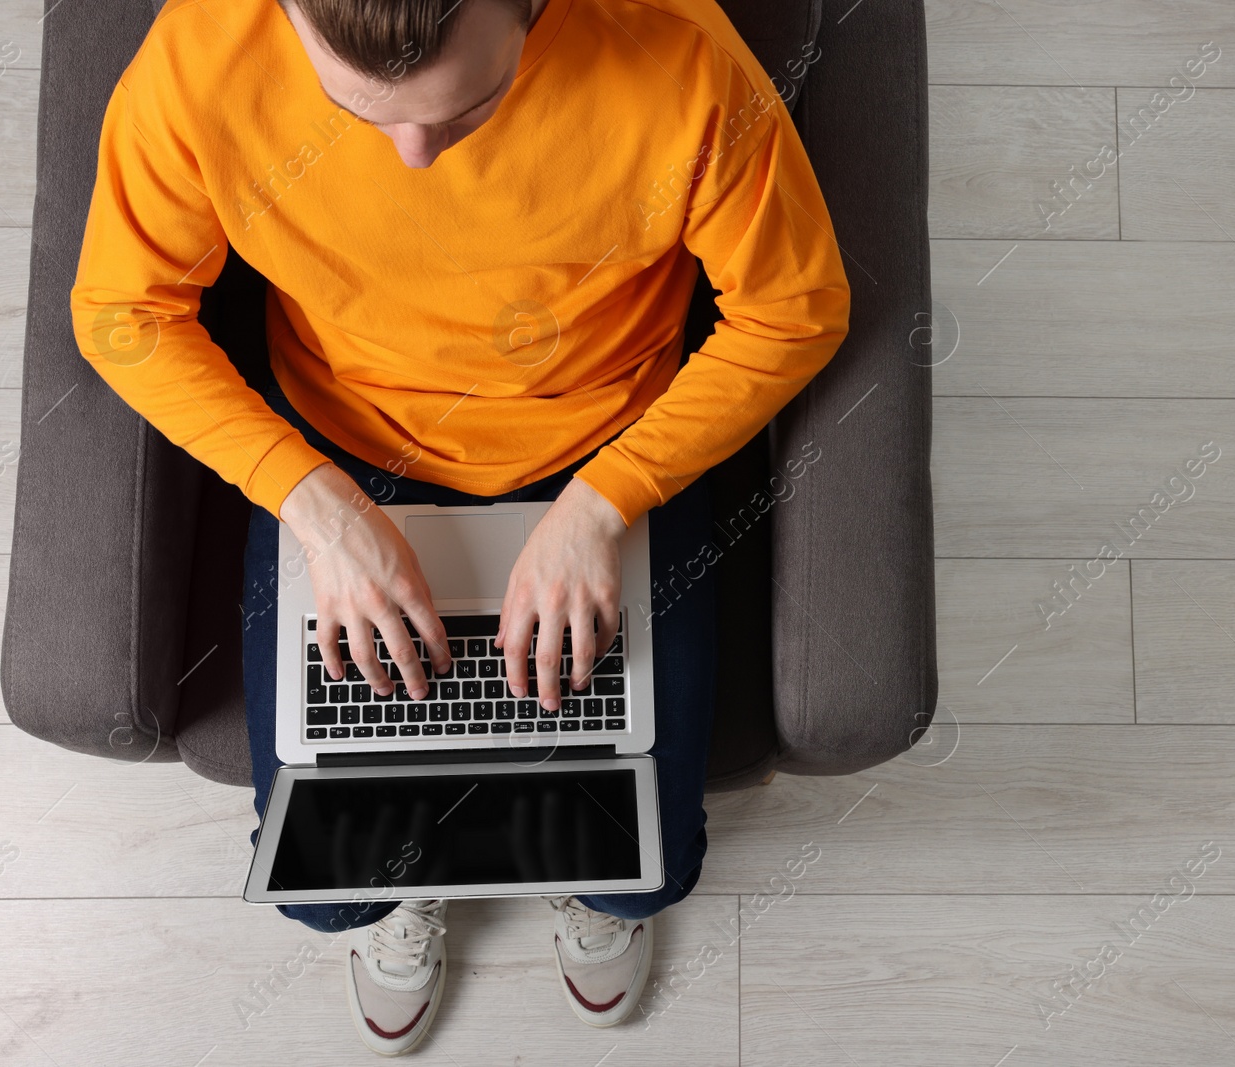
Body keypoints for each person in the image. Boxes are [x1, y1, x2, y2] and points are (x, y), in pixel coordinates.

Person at [71, 0, 849, 1055]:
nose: (416, 157)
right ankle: (406, 888)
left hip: (606, 441)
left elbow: (796, 308)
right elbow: (124, 309)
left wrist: (605, 501)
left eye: (471, 106)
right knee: (329, 891)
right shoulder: (203, 51)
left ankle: (576, 880)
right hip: (343, 456)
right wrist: (315, 503)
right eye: (360, 112)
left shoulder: (678, 57)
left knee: (638, 874)